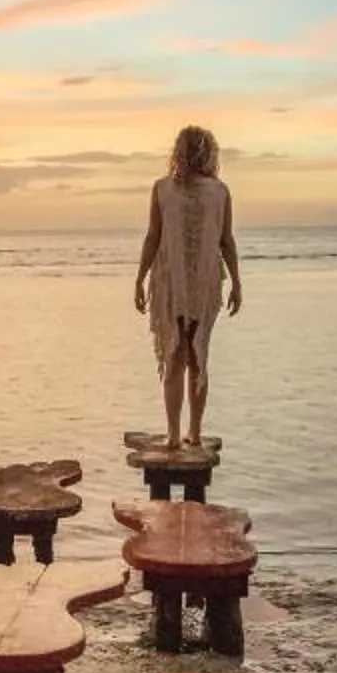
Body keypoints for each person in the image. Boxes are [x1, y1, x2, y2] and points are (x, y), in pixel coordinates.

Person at [133, 125, 241, 447]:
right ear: (209, 153)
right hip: (193, 281)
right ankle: (188, 432)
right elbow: (226, 241)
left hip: (180, 281)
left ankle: (176, 434)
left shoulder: (170, 189)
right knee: (194, 356)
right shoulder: (214, 191)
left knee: (178, 355)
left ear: (178, 151)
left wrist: (139, 279)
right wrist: (236, 282)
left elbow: (155, 238)